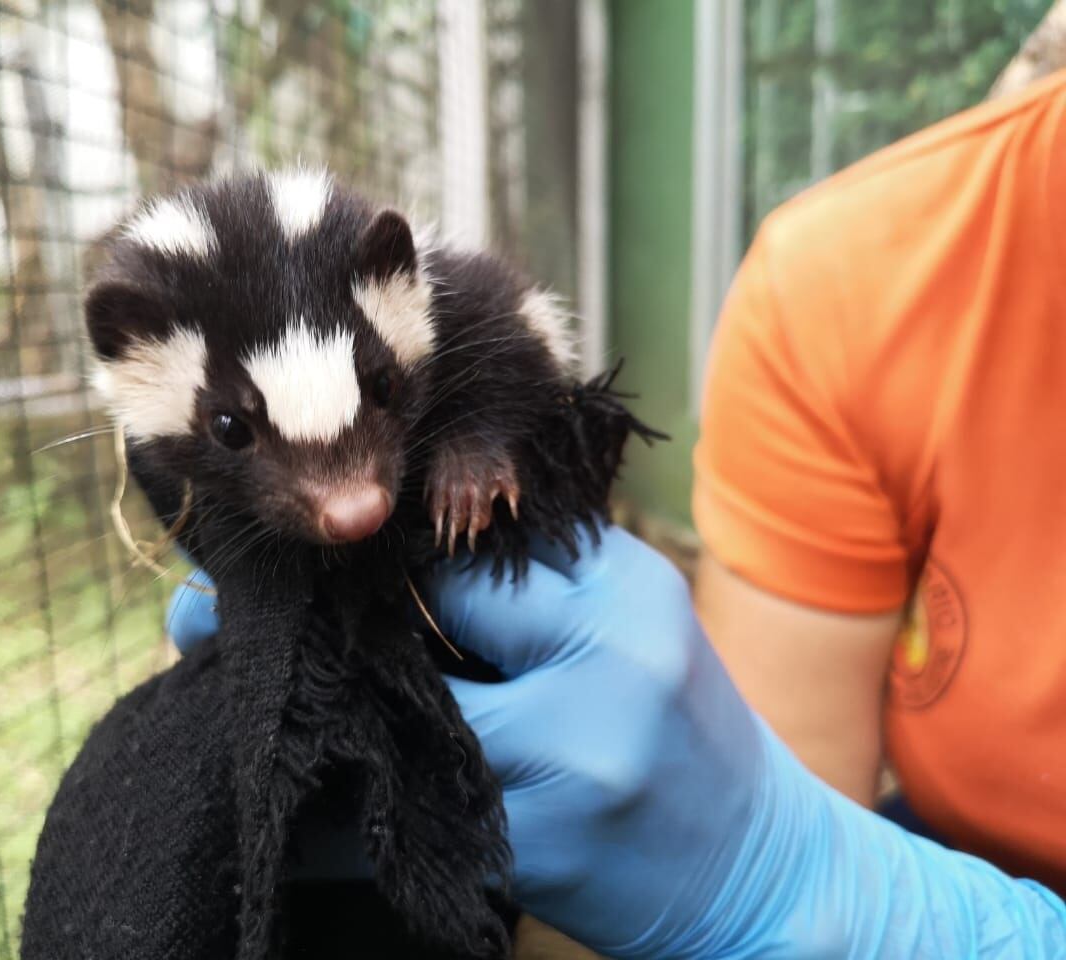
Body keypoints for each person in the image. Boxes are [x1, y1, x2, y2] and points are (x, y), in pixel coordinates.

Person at [164, 70, 1066, 956]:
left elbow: (519, 353)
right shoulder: (852, 281)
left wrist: (820, 895)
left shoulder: (465, 325)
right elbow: (803, 769)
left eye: (379, 390)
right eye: (239, 430)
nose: (353, 503)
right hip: (938, 839)